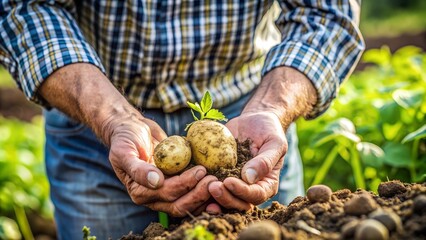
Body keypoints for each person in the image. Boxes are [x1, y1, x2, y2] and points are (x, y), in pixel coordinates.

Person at [0, 0, 364, 239]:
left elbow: (326, 14)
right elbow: (24, 8)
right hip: (93, 115)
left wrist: (269, 109)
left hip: (248, 113)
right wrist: (112, 118)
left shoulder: (243, 128)